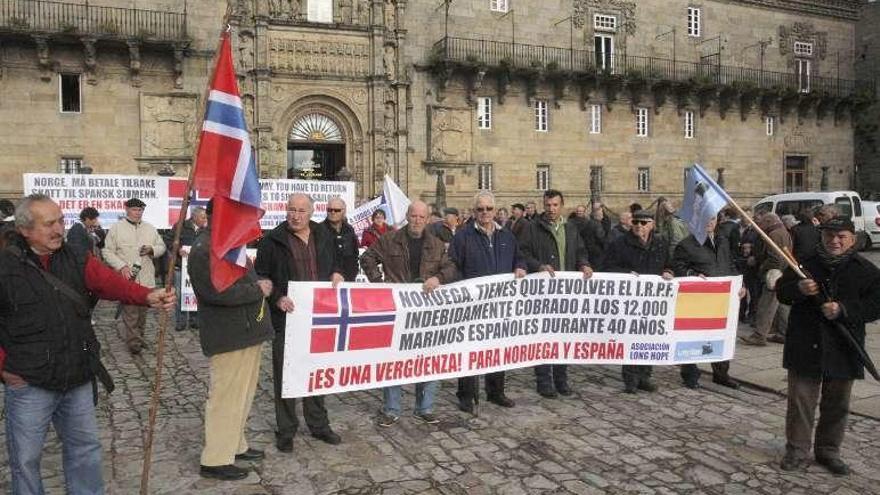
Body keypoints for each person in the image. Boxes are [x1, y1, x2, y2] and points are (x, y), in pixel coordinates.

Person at [0, 194, 174, 494]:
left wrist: (146, 295)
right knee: (26, 459)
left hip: (77, 374)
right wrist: (4, 367)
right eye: (49, 224)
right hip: (28, 381)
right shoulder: (5, 268)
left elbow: (109, 282)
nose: (59, 230)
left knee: (85, 451)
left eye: (61, 221)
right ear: (25, 229)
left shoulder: (76, 256)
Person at [776, 216, 880, 475]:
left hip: (844, 345)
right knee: (801, 403)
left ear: (852, 239)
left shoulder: (865, 270)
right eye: (829, 236)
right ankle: (797, 451)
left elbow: (875, 306)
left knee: (837, 404)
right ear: (821, 237)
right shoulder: (803, 264)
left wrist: (844, 309)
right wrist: (799, 287)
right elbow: (781, 292)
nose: (834, 241)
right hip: (805, 343)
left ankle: (828, 450)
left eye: (841, 236)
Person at [188, 201, 274, 481]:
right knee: (225, 397)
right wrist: (256, 289)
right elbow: (216, 292)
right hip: (228, 335)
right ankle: (215, 458)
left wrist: (257, 283)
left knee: (243, 395)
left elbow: (242, 279)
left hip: (248, 331)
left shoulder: (230, 244)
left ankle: (235, 445)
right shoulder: (205, 249)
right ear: (215, 217)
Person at [255, 193, 345, 453]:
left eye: (301, 211)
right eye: (291, 210)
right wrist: (277, 297)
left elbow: (339, 262)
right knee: (287, 375)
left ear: (311, 212)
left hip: (319, 317)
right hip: (288, 318)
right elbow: (261, 276)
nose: (295, 215)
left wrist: (338, 272)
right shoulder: (272, 240)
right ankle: (286, 430)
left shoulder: (324, 234)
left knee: (317, 373)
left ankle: (318, 424)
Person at [361, 200, 457, 426]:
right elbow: (367, 258)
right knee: (394, 359)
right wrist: (380, 283)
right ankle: (392, 408)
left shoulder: (435, 243)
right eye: (413, 216)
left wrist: (438, 278)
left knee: (429, 359)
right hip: (398, 310)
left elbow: (450, 267)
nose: (417, 220)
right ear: (407, 215)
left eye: (421, 217)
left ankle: (425, 407)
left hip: (426, 312)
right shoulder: (389, 239)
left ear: (427, 219)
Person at [449, 192, 526, 413]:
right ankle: (466, 394)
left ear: (495, 210)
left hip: (500, 305)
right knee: (470, 350)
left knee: (496, 348)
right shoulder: (463, 236)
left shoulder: (507, 236)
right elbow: (453, 265)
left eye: (489, 209)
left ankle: (496, 391)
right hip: (472, 305)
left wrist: (521, 267)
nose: (485, 213)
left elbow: (518, 257)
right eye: (480, 209)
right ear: (474, 212)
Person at [519, 189, 593, 398]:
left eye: (555, 205)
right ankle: (544, 380)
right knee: (544, 337)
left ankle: (561, 379)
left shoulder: (570, 229)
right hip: (542, 293)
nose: (551, 209)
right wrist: (538, 266)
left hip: (566, 293)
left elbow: (580, 251)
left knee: (563, 336)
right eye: (548, 205)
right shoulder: (532, 228)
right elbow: (523, 252)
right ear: (543, 205)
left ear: (562, 206)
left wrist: (584, 265)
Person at [602, 210, 674, 394]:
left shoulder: (660, 243)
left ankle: (645, 376)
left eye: (643, 222)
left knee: (649, 338)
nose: (639, 226)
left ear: (652, 225)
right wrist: (625, 274)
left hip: (654, 300)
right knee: (632, 338)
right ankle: (631, 378)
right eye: (636, 222)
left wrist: (668, 271)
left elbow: (670, 263)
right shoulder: (619, 243)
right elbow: (606, 267)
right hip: (630, 301)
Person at [671, 216, 742, 389]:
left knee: (720, 336)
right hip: (697, 300)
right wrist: (692, 276)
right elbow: (678, 268)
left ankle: (721, 373)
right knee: (693, 337)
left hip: (721, 300)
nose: (709, 222)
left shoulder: (722, 241)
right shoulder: (686, 245)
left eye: (712, 218)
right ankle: (690, 374)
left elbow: (730, 265)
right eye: (705, 218)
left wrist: (739, 285)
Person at [102, 198, 167, 355]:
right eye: (135, 210)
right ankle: (134, 343)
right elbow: (107, 251)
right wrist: (121, 265)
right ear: (127, 210)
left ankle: (139, 337)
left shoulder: (150, 228)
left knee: (143, 313)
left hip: (146, 278)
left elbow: (162, 247)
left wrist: (152, 249)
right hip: (127, 279)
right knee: (130, 312)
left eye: (140, 210)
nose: (138, 213)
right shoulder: (116, 228)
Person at [741, 212, 792, 346]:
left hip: (773, 274)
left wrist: (761, 266)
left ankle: (759, 335)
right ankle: (784, 333)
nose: (760, 226)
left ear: (769, 222)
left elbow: (774, 258)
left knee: (766, 305)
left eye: (762, 223)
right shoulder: (783, 231)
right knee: (781, 305)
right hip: (782, 273)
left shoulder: (773, 235)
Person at [172, 206, 207, 331]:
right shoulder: (180, 226)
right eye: (203, 217)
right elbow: (168, 241)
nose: (205, 220)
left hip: (198, 268)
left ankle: (195, 320)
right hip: (181, 267)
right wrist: (178, 249)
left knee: (195, 293)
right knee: (180, 294)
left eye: (206, 217)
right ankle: (180, 321)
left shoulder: (206, 230)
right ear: (194, 217)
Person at [320, 197, 359, 281]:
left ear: (344, 211)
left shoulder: (349, 230)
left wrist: (353, 273)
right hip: (326, 282)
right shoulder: (319, 230)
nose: (333, 212)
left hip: (348, 280)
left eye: (336, 210)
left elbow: (355, 254)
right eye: (329, 210)